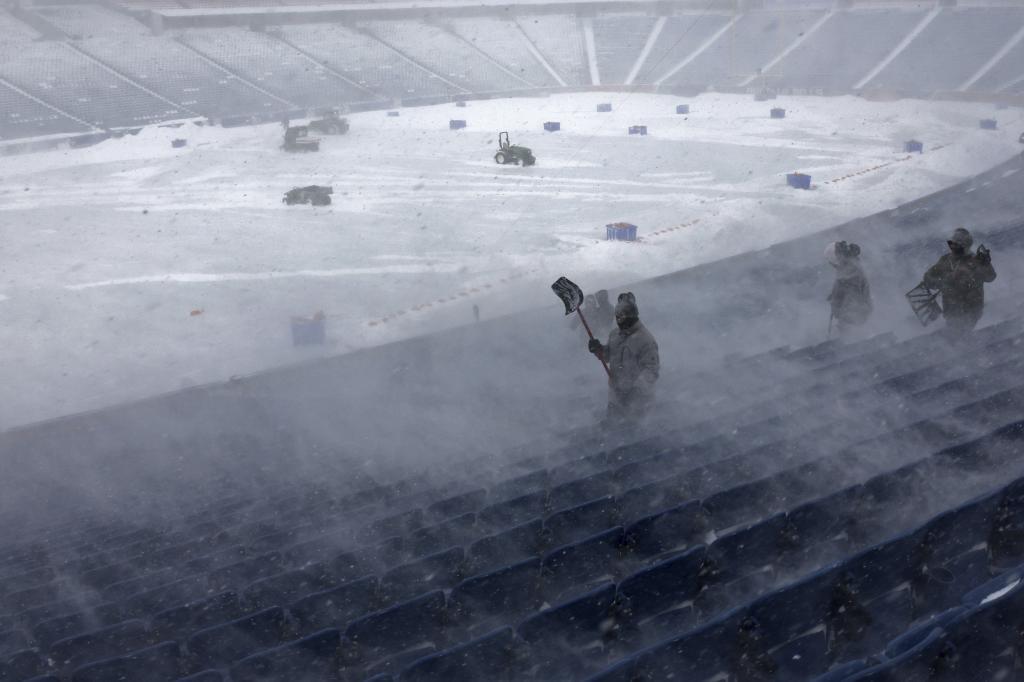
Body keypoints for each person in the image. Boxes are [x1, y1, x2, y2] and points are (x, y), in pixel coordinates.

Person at [588, 292, 660, 426]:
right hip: (616, 397)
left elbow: (651, 370)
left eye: (622, 316)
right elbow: (608, 356)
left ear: (632, 315)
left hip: (638, 403)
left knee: (635, 434)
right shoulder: (614, 335)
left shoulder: (645, 340)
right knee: (613, 430)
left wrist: (635, 391)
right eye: (617, 316)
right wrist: (598, 349)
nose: (619, 320)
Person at [922, 228, 996, 334]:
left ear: (965, 246)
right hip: (951, 311)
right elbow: (928, 278)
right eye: (952, 243)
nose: (953, 247)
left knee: (960, 336)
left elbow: (990, 277)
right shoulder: (945, 260)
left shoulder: (976, 261)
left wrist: (986, 264)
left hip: (971, 311)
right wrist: (943, 282)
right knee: (955, 336)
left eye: (957, 244)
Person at [825, 240, 872, 335]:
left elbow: (847, 286)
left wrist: (835, 300)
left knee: (848, 334)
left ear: (838, 257)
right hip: (857, 308)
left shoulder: (850, 268)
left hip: (856, 312)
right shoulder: (849, 263)